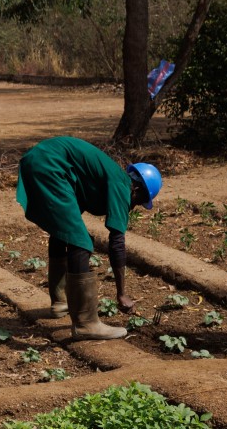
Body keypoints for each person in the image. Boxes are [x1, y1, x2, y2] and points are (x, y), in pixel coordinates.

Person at [16, 136, 162, 340]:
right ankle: (86, 324)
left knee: (64, 233)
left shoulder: (99, 179)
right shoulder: (122, 185)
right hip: (49, 164)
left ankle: (60, 302)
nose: (134, 206)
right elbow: (117, 242)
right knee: (81, 242)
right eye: (139, 202)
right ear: (138, 190)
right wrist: (121, 293)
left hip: (42, 159)